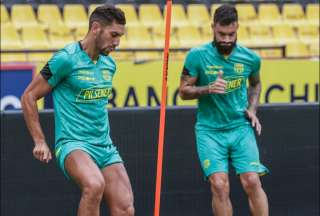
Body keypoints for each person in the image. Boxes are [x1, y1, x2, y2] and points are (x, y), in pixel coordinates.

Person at [21, 5, 134, 216]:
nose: (117, 42)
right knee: (94, 185)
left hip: (104, 146)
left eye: (120, 36)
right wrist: (39, 140)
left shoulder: (109, 64)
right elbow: (28, 96)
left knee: (125, 207)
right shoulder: (65, 59)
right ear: (95, 28)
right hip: (72, 144)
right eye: (114, 35)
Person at [179, 4, 269, 216]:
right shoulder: (197, 56)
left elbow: (255, 84)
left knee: (252, 181)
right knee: (219, 185)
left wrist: (252, 108)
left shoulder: (251, 58)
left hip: (240, 127)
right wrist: (208, 88)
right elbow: (183, 91)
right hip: (209, 131)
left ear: (237, 28)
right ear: (213, 27)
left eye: (231, 34)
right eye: (222, 34)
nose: (227, 39)